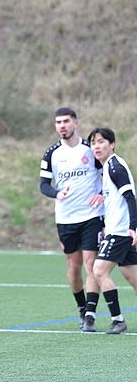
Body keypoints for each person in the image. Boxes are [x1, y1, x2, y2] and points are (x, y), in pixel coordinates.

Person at [38, 107, 104, 330]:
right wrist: (57, 193)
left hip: (91, 216)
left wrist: (101, 193)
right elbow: (44, 185)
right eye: (58, 122)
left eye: (66, 121)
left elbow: (106, 172)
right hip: (66, 219)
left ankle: (90, 315)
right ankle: (81, 308)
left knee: (91, 264)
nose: (62, 126)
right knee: (73, 268)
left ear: (76, 123)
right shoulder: (51, 154)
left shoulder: (90, 149)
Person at [84, 127, 137, 334]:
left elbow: (130, 197)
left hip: (122, 232)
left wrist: (133, 227)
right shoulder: (107, 168)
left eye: (101, 142)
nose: (96, 146)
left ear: (112, 144)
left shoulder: (115, 167)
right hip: (117, 229)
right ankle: (117, 320)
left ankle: (118, 320)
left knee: (99, 270)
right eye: (93, 143)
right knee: (133, 278)